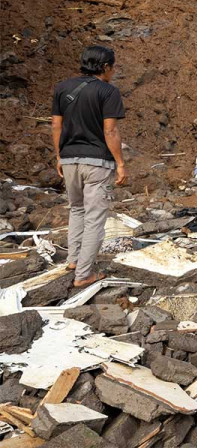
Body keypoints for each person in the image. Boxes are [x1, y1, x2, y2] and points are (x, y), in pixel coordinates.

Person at [51, 45, 127, 287]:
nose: (113, 72)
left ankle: (74, 260)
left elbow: (56, 126)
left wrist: (58, 156)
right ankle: (84, 274)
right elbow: (110, 130)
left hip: (69, 159)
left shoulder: (62, 88)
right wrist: (120, 162)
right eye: (112, 67)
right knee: (95, 218)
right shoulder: (108, 92)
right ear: (105, 67)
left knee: (76, 209)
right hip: (97, 162)